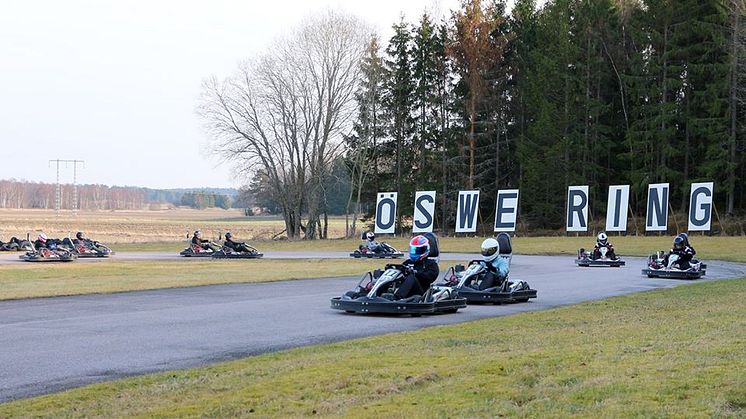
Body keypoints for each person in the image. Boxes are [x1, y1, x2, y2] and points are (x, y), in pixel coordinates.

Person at [393, 235, 439, 300]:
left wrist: (415, 273)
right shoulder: (407, 262)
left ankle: (396, 298)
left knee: (412, 277)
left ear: (425, 249)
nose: (414, 252)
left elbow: (429, 277)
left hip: (421, 292)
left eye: (417, 250)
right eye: (413, 250)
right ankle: (379, 295)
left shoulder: (431, 264)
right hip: (405, 290)